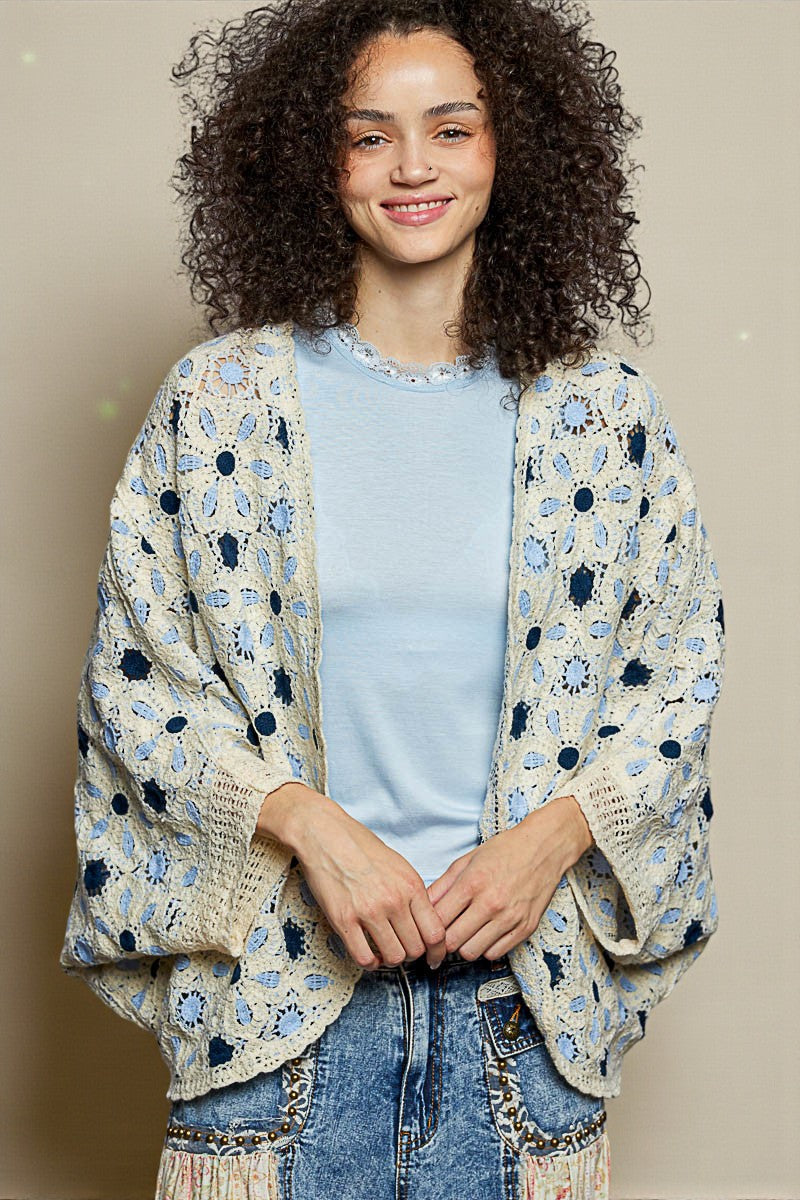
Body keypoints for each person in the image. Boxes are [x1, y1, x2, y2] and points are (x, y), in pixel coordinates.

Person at [59, 2, 727, 1197]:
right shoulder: (219, 406)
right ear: (315, 163)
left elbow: (675, 681)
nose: (412, 166)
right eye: (370, 136)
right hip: (272, 1035)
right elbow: (137, 684)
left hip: (522, 1040)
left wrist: (551, 838)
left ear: (508, 147)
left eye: (450, 128)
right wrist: (308, 826)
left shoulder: (604, 418)